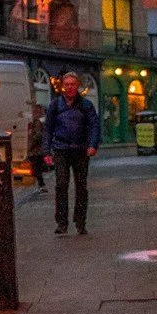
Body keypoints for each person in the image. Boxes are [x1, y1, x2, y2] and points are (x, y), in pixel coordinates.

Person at [43, 71, 99, 234]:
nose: (69, 87)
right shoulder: (55, 105)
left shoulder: (86, 105)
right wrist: (46, 151)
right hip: (61, 149)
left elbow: (94, 126)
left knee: (81, 186)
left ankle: (80, 222)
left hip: (81, 150)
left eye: (72, 84)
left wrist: (92, 145)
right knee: (61, 185)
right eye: (67, 84)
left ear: (78, 86)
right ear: (62, 86)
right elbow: (48, 129)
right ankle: (62, 223)